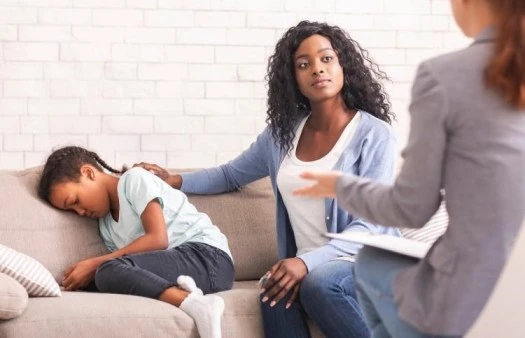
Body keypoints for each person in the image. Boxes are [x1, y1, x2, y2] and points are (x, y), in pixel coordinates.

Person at [135, 20, 399, 338]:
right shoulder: (280, 138)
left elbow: (370, 224)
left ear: (343, 65)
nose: (317, 69)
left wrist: (307, 264)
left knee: (319, 283)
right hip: (308, 264)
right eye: (304, 64)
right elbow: (230, 175)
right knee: (273, 292)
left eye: (326, 59)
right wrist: (175, 180)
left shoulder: (374, 135)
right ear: (294, 79)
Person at [293, 1, 525, 337]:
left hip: (473, 288)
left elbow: (412, 208)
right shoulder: (282, 138)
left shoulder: (443, 77)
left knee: (373, 265)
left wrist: (340, 186)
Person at [38, 146, 235, 338]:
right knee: (100, 278)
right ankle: (192, 299)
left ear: (88, 173)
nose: (80, 212)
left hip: (209, 258)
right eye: (72, 211)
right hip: (183, 271)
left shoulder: (134, 179)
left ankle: (198, 305)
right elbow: (130, 270)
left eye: (75, 201)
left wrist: (95, 264)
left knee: (105, 270)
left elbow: (158, 239)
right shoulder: (106, 227)